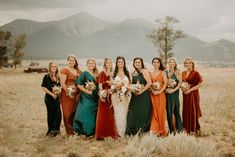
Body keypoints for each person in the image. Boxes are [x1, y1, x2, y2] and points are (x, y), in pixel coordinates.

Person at [126, 57, 152, 135]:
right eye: (135, 62)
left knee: (143, 111)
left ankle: (143, 129)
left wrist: (141, 91)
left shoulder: (144, 71)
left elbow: (149, 83)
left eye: (139, 62)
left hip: (143, 95)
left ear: (141, 63)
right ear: (133, 63)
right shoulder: (132, 72)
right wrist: (131, 88)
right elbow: (130, 83)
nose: (137, 64)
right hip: (135, 95)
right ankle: (133, 130)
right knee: (134, 111)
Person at [73, 58, 99, 137]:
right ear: (87, 64)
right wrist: (87, 91)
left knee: (92, 114)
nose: (91, 65)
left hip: (94, 97)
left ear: (95, 65)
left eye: (92, 63)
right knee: (85, 113)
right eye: (89, 63)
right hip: (86, 97)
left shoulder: (96, 74)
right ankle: (82, 131)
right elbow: (78, 85)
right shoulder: (84, 73)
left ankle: (91, 131)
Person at [95, 58, 118, 139]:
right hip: (104, 97)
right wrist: (102, 95)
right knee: (102, 115)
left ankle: (110, 134)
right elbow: (100, 86)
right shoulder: (102, 73)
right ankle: (101, 134)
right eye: (107, 62)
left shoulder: (112, 74)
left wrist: (113, 89)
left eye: (110, 62)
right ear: (105, 64)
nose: (109, 64)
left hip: (111, 96)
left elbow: (114, 85)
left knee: (110, 115)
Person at [60, 55, 81, 136]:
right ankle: (68, 131)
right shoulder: (64, 70)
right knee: (67, 113)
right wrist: (68, 93)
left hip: (76, 94)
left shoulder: (78, 71)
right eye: (70, 60)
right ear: (68, 61)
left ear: (75, 62)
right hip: (66, 94)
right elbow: (62, 83)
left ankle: (74, 130)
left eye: (73, 60)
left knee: (74, 112)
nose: (71, 61)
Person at [181, 57, 203, 135]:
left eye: (189, 63)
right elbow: (181, 83)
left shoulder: (195, 73)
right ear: (184, 64)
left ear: (192, 64)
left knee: (192, 109)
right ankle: (186, 128)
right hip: (185, 94)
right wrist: (183, 89)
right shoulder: (183, 73)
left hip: (193, 94)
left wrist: (190, 90)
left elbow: (200, 84)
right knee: (186, 109)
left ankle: (194, 129)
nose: (188, 64)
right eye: (186, 63)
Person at [111, 56, 131, 137]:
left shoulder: (128, 73)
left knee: (125, 114)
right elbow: (111, 86)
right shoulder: (113, 73)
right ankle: (117, 132)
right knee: (117, 113)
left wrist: (126, 90)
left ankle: (124, 132)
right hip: (116, 97)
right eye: (119, 62)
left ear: (124, 63)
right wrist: (116, 87)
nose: (120, 63)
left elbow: (130, 85)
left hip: (126, 97)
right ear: (116, 63)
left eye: (122, 62)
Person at [41, 62, 62, 137]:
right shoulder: (46, 76)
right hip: (49, 99)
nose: (53, 68)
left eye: (55, 66)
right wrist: (52, 94)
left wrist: (59, 91)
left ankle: (56, 130)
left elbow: (60, 87)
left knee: (58, 114)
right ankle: (51, 131)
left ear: (57, 68)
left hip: (57, 99)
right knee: (51, 114)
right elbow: (43, 87)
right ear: (49, 68)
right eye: (52, 66)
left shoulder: (58, 77)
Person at [150, 57, 168, 136]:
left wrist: (159, 91)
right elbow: (149, 83)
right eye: (154, 62)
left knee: (160, 112)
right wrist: (152, 90)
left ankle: (161, 130)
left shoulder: (162, 72)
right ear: (152, 63)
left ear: (159, 64)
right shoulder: (150, 73)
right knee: (153, 112)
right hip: (152, 95)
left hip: (160, 95)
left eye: (157, 62)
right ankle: (154, 130)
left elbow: (165, 83)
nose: (156, 63)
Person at [165, 58, 183, 134]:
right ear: (168, 63)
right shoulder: (165, 72)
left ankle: (178, 129)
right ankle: (171, 129)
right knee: (169, 111)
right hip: (167, 94)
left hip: (174, 93)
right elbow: (164, 82)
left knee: (175, 110)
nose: (172, 63)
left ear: (175, 64)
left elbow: (179, 84)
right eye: (170, 62)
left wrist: (172, 90)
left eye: (173, 62)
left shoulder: (178, 72)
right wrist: (166, 89)